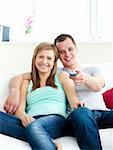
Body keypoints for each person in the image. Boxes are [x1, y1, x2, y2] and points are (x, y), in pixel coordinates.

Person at [3, 34, 113, 150]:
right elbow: (18, 78)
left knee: (80, 112)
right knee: (34, 126)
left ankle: (39, 134)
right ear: (58, 57)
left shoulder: (87, 70)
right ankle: (42, 137)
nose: (67, 54)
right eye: (62, 52)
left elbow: (97, 85)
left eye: (70, 49)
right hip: (75, 117)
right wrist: (15, 92)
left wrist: (85, 79)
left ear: (76, 48)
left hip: (94, 114)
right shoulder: (51, 73)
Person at [0, 42, 84, 150]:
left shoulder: (61, 77)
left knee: (35, 126)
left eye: (49, 58)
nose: (44, 61)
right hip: (31, 121)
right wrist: (24, 117)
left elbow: (73, 100)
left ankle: (40, 135)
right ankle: (46, 140)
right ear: (35, 59)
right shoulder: (27, 81)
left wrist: (78, 105)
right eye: (41, 57)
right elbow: (20, 110)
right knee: (33, 126)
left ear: (54, 62)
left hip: (56, 119)